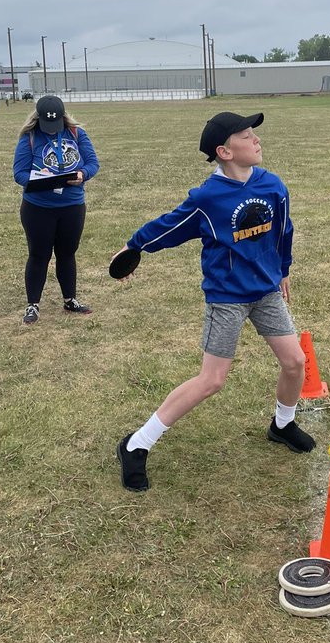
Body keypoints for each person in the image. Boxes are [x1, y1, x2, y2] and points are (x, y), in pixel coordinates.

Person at [111, 110, 314, 493]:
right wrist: (134, 245)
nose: (256, 140)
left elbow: (284, 230)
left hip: (266, 291)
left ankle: (282, 424)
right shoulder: (209, 198)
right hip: (227, 298)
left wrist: (283, 269)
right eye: (246, 136)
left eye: (255, 134)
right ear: (224, 151)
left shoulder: (273, 185)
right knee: (212, 380)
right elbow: (170, 225)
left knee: (295, 362)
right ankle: (136, 444)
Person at [12, 94, 99, 325]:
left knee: (67, 253)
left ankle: (70, 299)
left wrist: (83, 174)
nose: (52, 129)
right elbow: (19, 173)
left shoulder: (76, 134)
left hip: (72, 206)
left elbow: (92, 163)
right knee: (39, 255)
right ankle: (33, 304)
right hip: (38, 208)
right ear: (38, 119)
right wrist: (39, 179)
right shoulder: (29, 138)